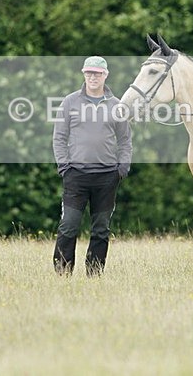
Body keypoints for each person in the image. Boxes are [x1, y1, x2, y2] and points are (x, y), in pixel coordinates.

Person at [52, 56, 132, 276]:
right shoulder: (70, 102)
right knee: (69, 225)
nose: (92, 77)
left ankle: (94, 274)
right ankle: (62, 273)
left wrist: (122, 168)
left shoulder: (116, 105)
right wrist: (64, 167)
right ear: (83, 74)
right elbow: (59, 137)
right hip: (76, 175)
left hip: (107, 177)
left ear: (105, 75)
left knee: (101, 229)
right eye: (89, 73)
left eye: (97, 73)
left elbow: (125, 141)